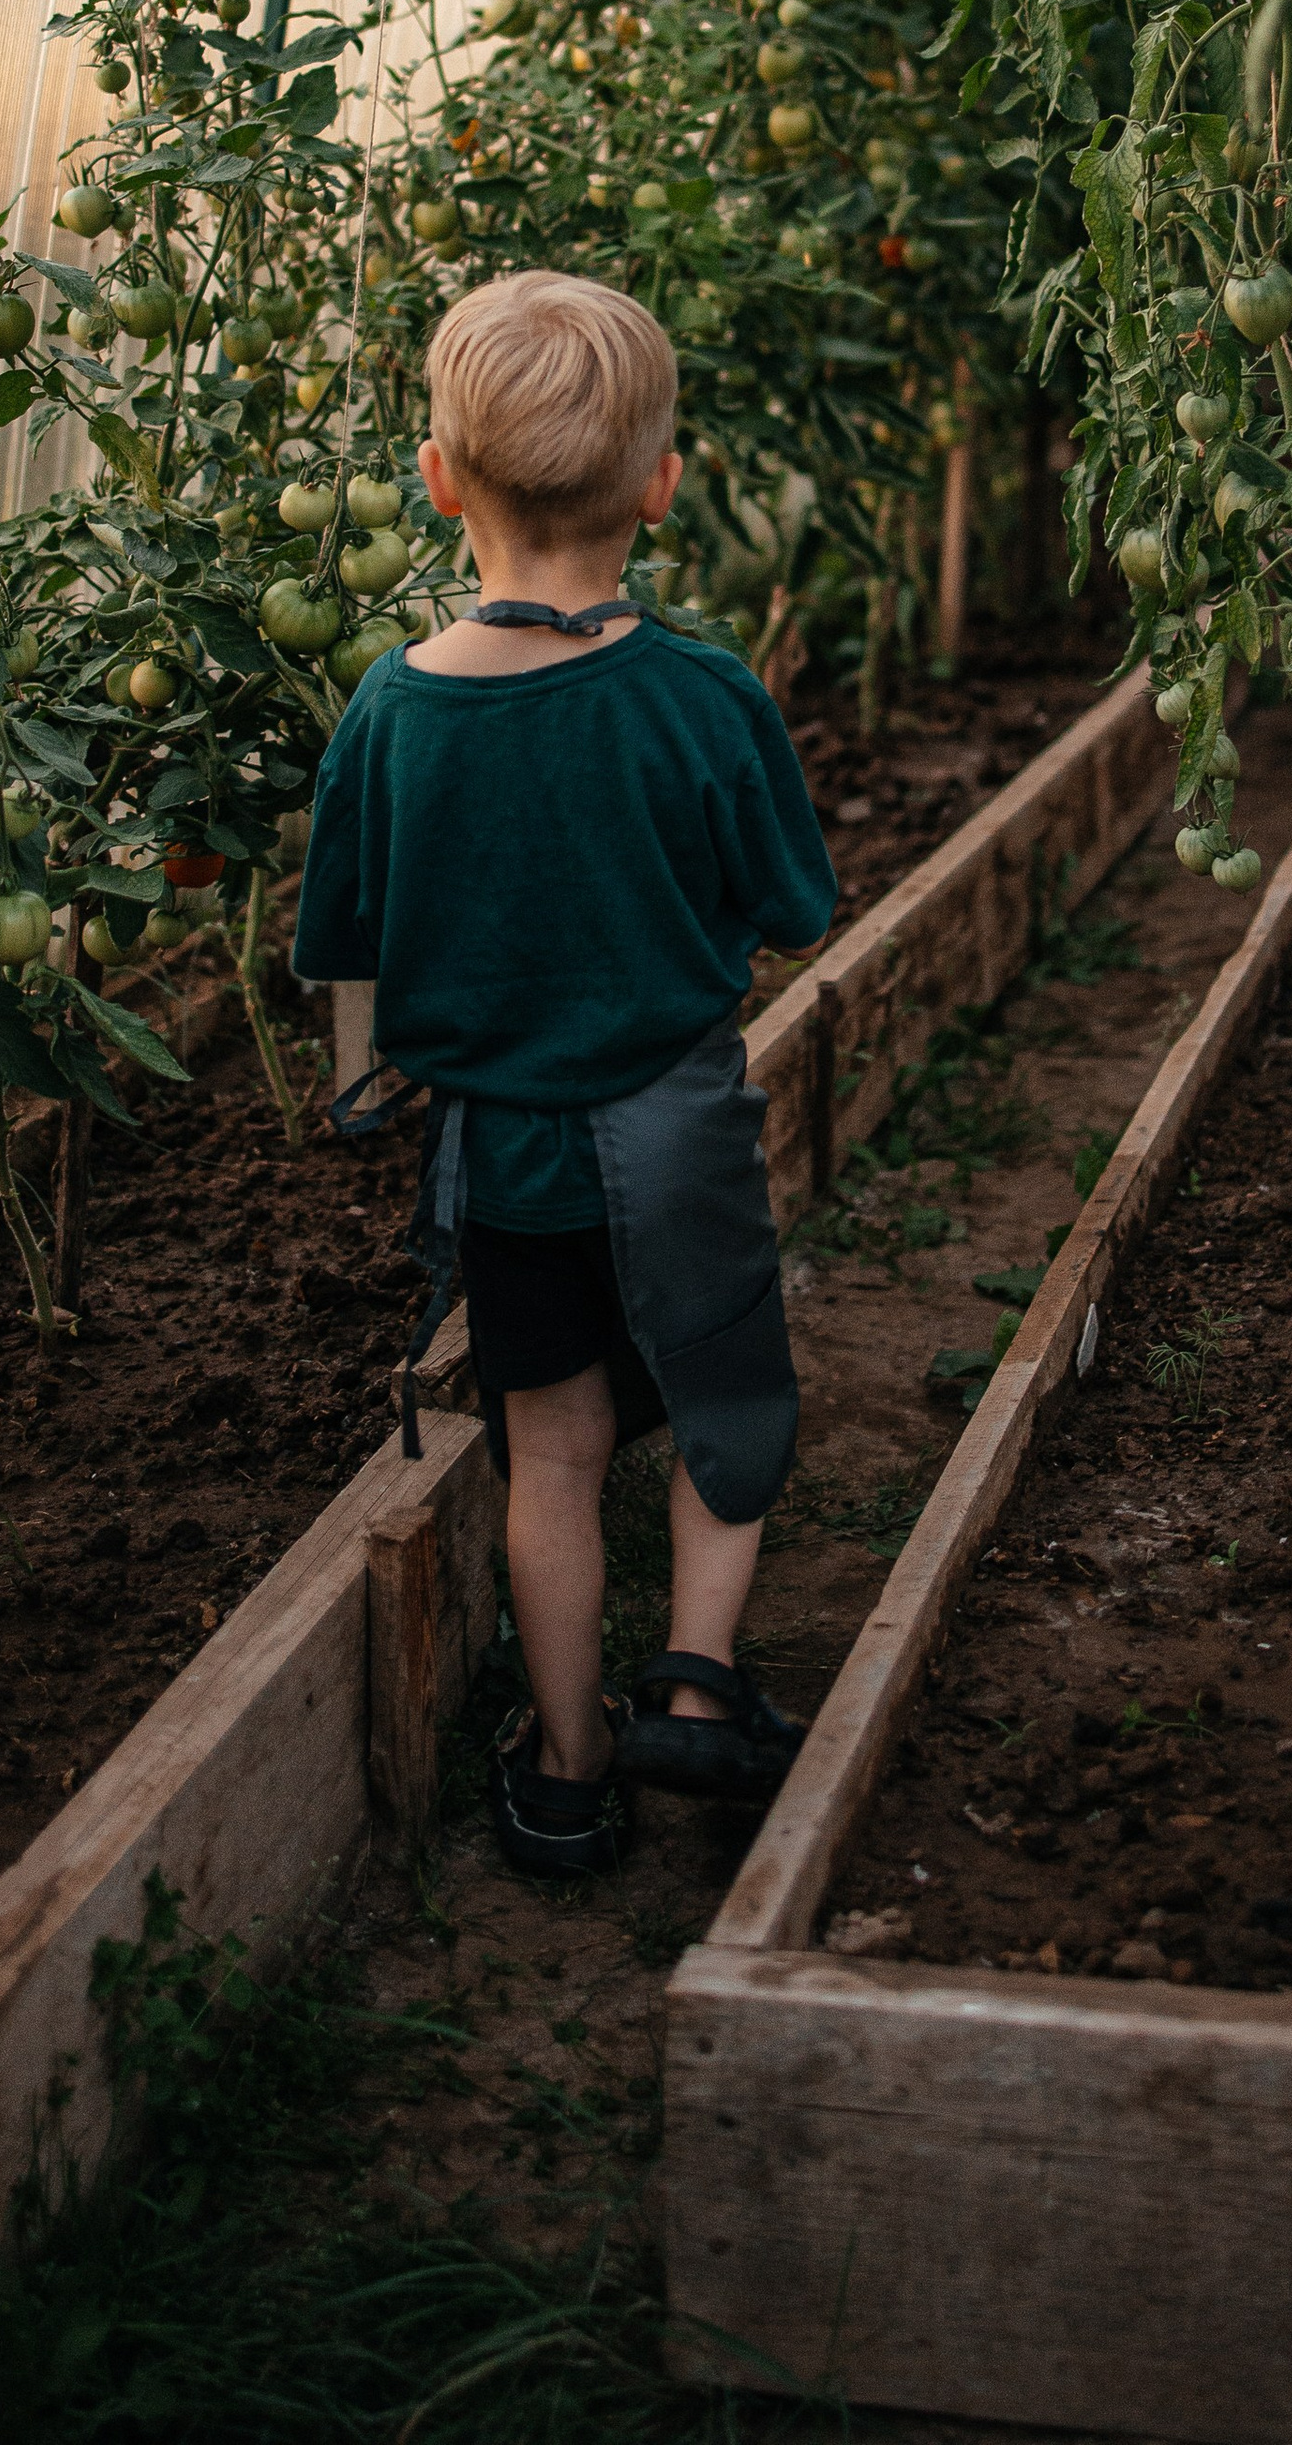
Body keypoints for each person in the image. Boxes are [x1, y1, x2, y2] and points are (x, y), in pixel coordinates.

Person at [291, 270, 837, 1876]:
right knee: (728, 1392)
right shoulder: (703, 696)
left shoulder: (391, 710)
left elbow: (346, 941)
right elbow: (795, 910)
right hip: (682, 1129)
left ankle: (569, 1765)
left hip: (507, 1156)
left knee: (555, 1450)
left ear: (437, 481)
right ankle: (699, 1684)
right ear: (661, 488)